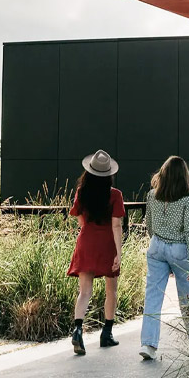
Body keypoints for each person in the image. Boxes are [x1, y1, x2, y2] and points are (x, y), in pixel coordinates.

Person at [139, 155, 189, 360]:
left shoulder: (151, 195)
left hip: (156, 246)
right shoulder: (187, 198)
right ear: (183, 176)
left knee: (153, 297)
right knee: (187, 299)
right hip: (179, 250)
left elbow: (148, 223)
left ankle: (148, 345)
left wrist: (156, 242)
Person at [67, 149, 124, 356]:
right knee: (111, 290)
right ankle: (106, 333)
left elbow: (80, 220)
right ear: (109, 173)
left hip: (86, 242)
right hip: (107, 244)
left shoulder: (81, 192)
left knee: (85, 292)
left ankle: (78, 329)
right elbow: (116, 225)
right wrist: (119, 253)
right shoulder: (115, 195)